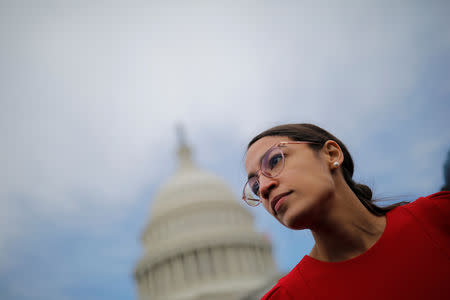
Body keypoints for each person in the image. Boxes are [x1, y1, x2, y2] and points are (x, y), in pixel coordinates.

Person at [242, 123, 450, 300]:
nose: (265, 187)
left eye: (275, 160)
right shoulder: (287, 297)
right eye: (255, 186)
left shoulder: (438, 216)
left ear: (331, 154)